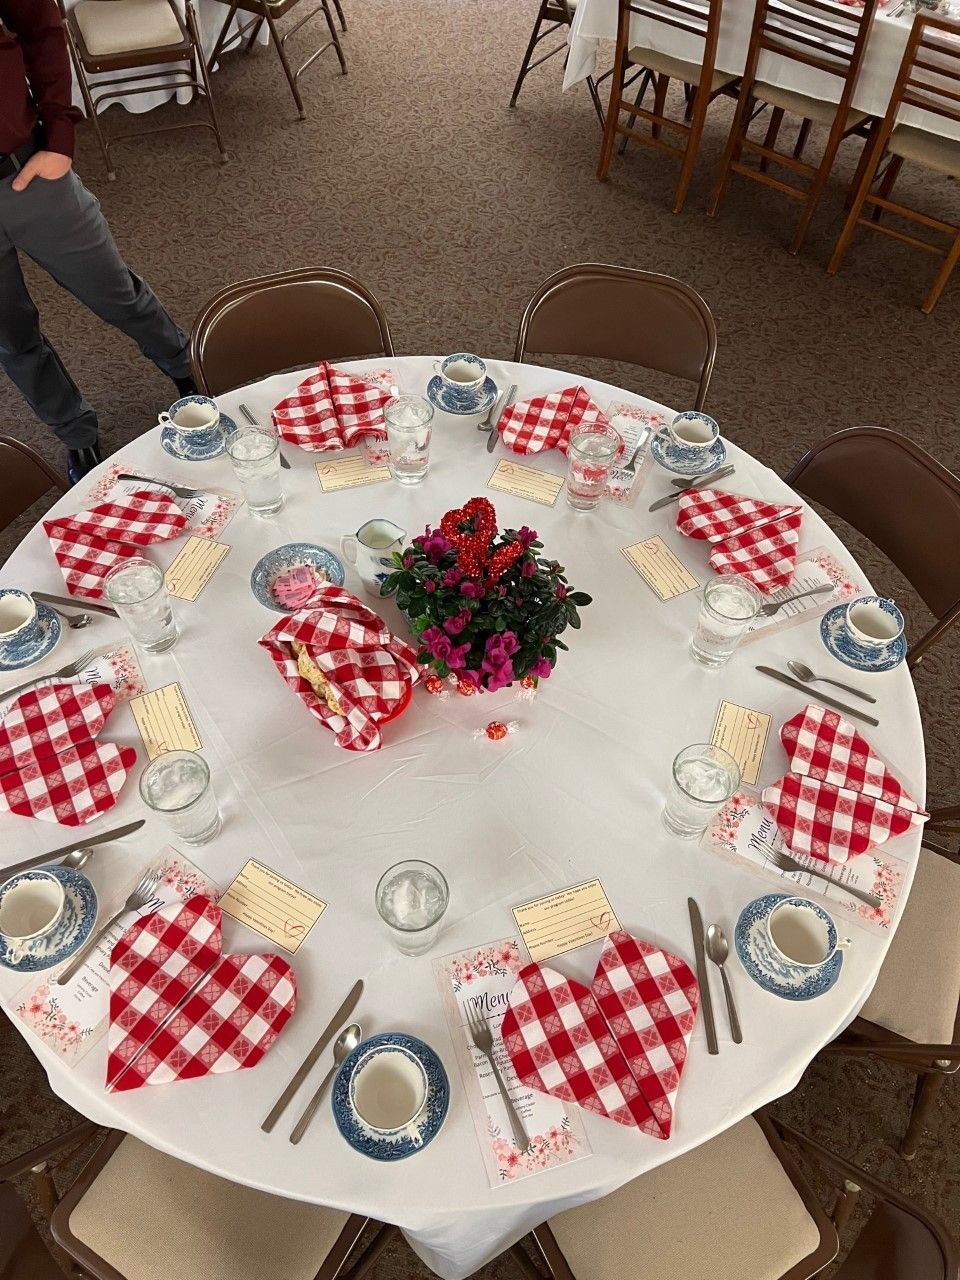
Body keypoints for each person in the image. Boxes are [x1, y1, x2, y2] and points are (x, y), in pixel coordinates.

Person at [0, 0, 196, 485]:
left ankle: (185, 368)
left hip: (25, 169)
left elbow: (41, 27)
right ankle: (75, 431)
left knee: (112, 290)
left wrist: (59, 137)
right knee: (10, 338)